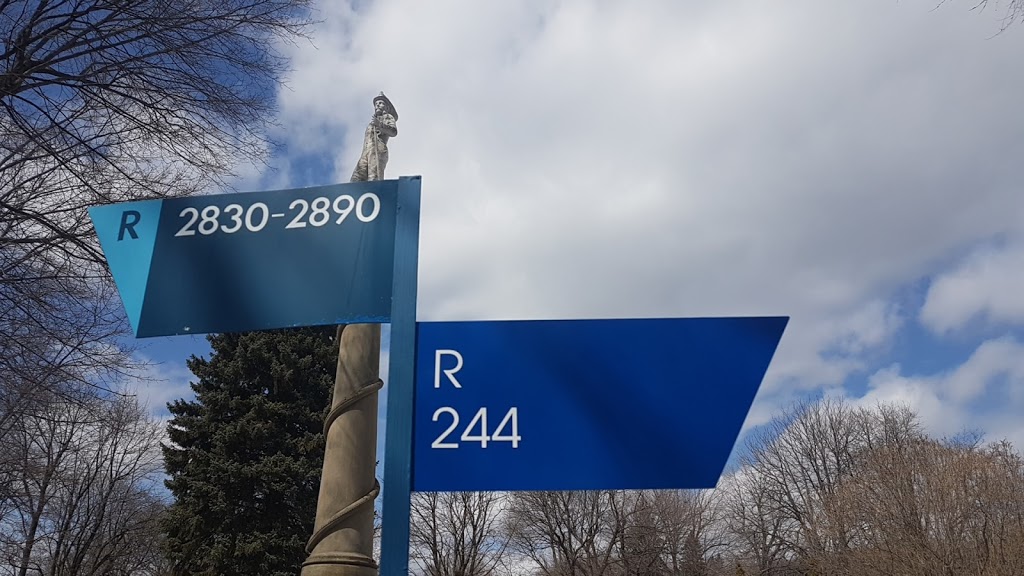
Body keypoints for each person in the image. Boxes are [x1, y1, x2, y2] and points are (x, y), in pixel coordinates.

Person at [350, 92, 398, 182]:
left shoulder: (387, 117)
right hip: (366, 152)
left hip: (378, 149)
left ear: (386, 107)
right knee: (356, 178)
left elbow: (393, 132)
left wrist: (380, 125)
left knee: (374, 176)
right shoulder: (371, 123)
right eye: (376, 104)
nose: (377, 105)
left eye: (380, 103)